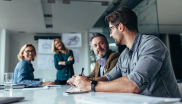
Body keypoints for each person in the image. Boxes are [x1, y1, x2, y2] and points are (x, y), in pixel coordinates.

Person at [72, 6, 181, 98]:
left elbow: (134, 84)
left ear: (120, 27)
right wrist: (83, 81)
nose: (110, 35)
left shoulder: (151, 44)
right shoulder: (124, 54)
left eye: (111, 30)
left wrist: (91, 85)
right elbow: (109, 77)